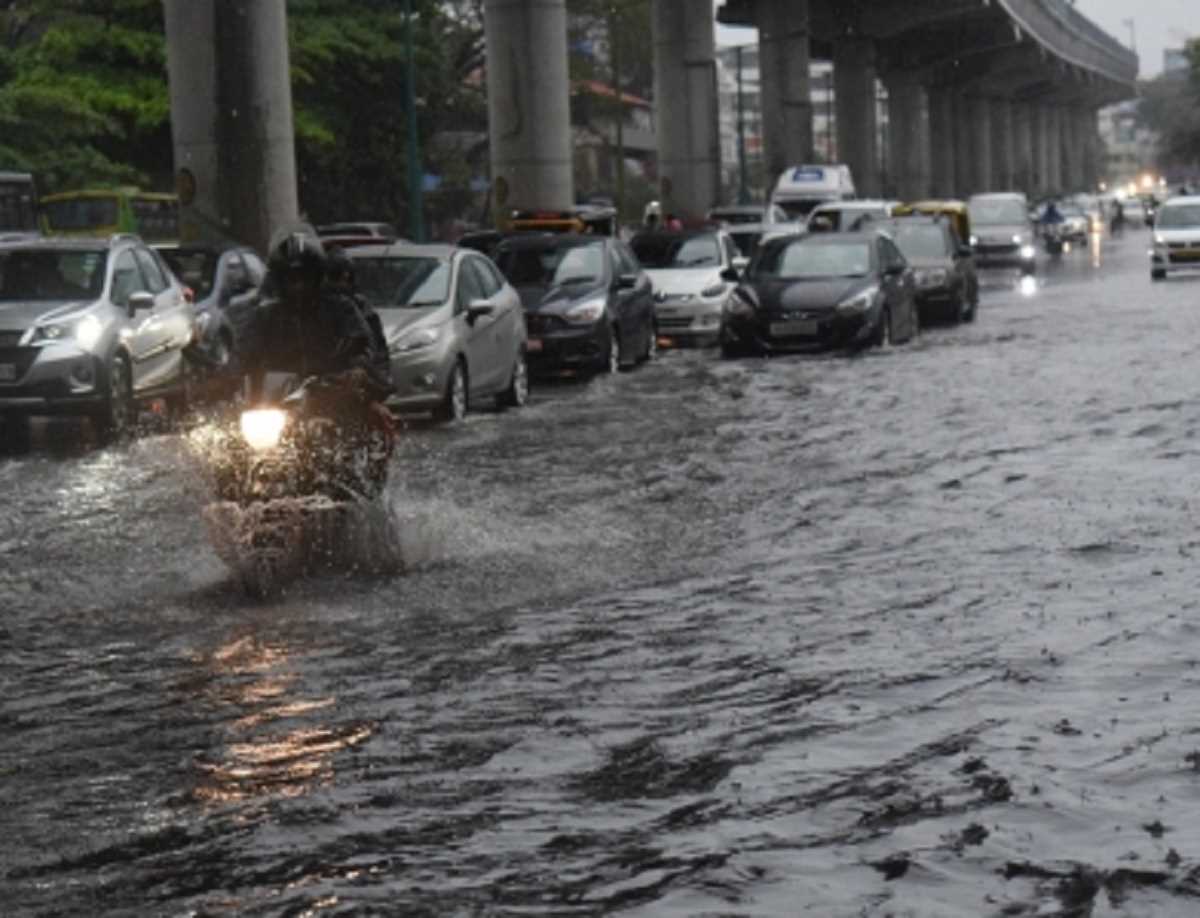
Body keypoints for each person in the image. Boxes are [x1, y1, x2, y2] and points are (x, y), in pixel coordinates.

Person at [241, 228, 394, 417]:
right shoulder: (265, 315)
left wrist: (356, 370)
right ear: (279, 280)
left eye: (304, 278)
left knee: (365, 420)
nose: (298, 286)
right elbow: (242, 355)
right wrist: (217, 382)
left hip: (335, 400)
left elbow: (363, 346)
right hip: (277, 404)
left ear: (317, 277)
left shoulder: (340, 308)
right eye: (291, 279)